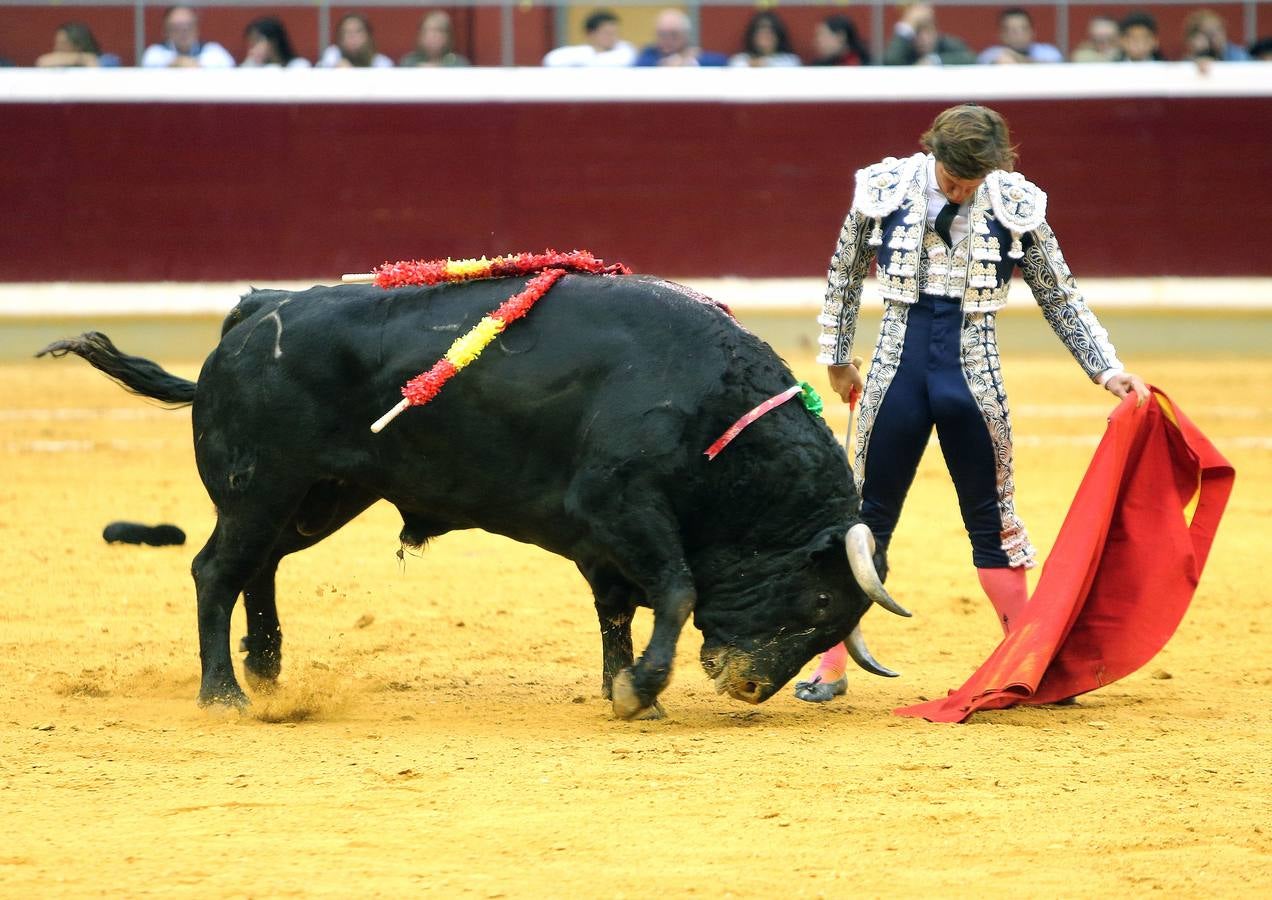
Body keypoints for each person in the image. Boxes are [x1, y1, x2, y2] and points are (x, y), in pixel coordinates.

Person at [797, 104, 1148, 702]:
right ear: (933, 152)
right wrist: (835, 357)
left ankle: (1029, 665)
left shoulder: (1015, 201)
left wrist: (1106, 370)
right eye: (954, 178)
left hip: (974, 374)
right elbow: (844, 275)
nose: (962, 190)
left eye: (973, 181)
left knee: (994, 520)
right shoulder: (884, 187)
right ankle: (831, 662)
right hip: (894, 369)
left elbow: (1059, 296)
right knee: (863, 513)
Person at [141, 6, 235, 68]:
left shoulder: (213, 49)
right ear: (166, 31)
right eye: (176, 27)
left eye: (188, 26)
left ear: (197, 29)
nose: (183, 32)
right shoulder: (155, 51)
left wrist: (182, 64)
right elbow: (150, 63)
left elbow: (227, 64)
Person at [884, 3, 975, 66]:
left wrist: (934, 61)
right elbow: (890, 61)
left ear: (935, 30)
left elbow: (971, 59)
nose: (922, 39)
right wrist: (907, 25)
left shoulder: (945, 43)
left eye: (927, 31)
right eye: (917, 32)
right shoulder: (905, 50)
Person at [634, 8, 728, 67]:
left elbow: (721, 61)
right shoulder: (650, 53)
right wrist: (664, 64)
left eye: (674, 35)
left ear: (685, 35)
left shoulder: (694, 54)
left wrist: (690, 61)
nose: (667, 40)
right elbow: (638, 67)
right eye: (662, 35)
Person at [542, 8, 635, 67]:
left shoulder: (624, 50)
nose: (612, 37)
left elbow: (620, 61)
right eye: (607, 33)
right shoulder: (580, 52)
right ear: (591, 34)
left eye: (615, 33)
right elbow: (551, 60)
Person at [977, 7, 1063, 64]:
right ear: (1001, 35)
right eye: (1013, 31)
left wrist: (1017, 58)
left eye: (1023, 29)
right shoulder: (992, 53)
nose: (1019, 35)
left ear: (1032, 32)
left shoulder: (1047, 52)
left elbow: (1054, 65)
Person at [728, 11, 801, 68]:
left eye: (770, 32)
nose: (765, 36)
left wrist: (766, 64)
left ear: (778, 35)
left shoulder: (790, 61)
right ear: (752, 35)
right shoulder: (739, 60)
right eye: (761, 32)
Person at [318, 12, 393, 68]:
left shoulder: (382, 63)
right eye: (347, 32)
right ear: (340, 37)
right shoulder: (332, 55)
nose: (352, 36)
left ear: (368, 36)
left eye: (358, 31)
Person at [400, 10, 470, 67]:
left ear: (447, 36)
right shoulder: (408, 63)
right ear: (420, 35)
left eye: (437, 31)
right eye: (427, 31)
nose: (431, 36)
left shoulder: (459, 64)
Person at [36, 22, 120, 68]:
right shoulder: (61, 65)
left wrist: (83, 59)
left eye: (63, 44)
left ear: (78, 45)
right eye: (57, 43)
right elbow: (43, 62)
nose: (57, 47)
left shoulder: (108, 60)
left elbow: (95, 66)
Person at [1183, 9, 1251, 62]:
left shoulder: (1238, 55)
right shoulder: (1189, 60)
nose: (1217, 37)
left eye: (1219, 30)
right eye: (1209, 33)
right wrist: (1200, 54)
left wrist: (1221, 52)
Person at [241, 17, 310, 68]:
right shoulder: (253, 65)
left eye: (257, 41)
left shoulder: (298, 65)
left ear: (274, 41)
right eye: (251, 43)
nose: (254, 47)